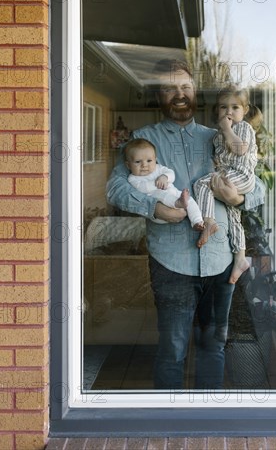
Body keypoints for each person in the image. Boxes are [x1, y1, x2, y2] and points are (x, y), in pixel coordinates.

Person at [106, 59, 265, 390]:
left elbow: (257, 185)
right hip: (171, 264)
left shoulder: (219, 136)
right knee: (173, 350)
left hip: (220, 261)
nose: (179, 94)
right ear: (159, 95)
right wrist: (154, 208)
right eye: (169, 88)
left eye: (185, 87)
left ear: (195, 93)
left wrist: (238, 199)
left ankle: (207, 422)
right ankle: (168, 426)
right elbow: (116, 187)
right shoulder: (141, 139)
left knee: (214, 346)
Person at [193, 86, 257, 283]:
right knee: (233, 216)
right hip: (229, 175)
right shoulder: (217, 135)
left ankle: (208, 221)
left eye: (235, 107)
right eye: (223, 107)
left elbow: (239, 149)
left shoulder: (243, 127)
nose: (228, 112)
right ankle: (240, 257)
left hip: (241, 174)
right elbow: (220, 157)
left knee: (202, 184)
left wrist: (227, 128)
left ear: (245, 111)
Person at [124, 137, 204, 229]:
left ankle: (197, 222)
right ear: (128, 165)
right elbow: (142, 188)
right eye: (138, 162)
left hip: (175, 194)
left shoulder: (159, 168)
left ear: (155, 160)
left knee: (190, 201)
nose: (144, 165)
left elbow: (171, 174)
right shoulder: (133, 178)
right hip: (159, 208)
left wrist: (164, 177)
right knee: (160, 194)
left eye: (149, 161)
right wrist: (156, 183)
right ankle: (178, 203)